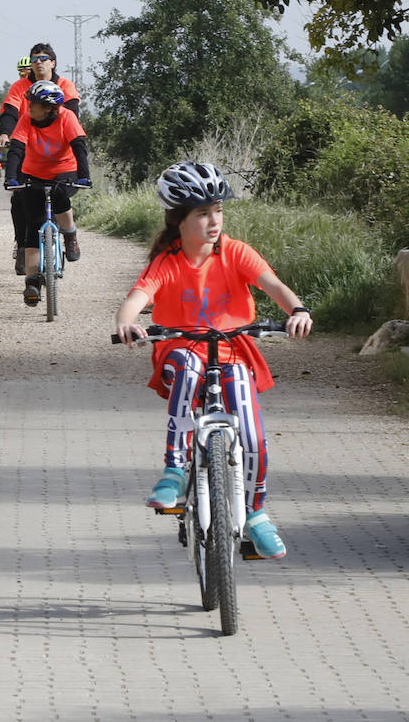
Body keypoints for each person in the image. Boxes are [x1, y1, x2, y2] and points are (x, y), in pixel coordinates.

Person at [113, 161, 313, 559]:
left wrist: (298, 310)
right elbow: (138, 297)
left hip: (233, 349)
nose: (213, 220)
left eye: (218, 211)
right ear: (179, 221)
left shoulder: (236, 253)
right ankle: (173, 470)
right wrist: (126, 323)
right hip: (179, 349)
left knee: (253, 435)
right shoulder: (167, 261)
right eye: (202, 213)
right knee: (187, 369)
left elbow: (273, 285)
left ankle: (255, 516)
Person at [0, 43, 81, 275]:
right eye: (34, 59)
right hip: (29, 155)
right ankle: (23, 247)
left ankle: (69, 236)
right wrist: (6, 133)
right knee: (19, 200)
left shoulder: (65, 85)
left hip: (60, 159)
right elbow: (10, 112)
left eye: (43, 58)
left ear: (53, 62)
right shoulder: (20, 86)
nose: (38, 62)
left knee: (58, 194)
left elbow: (71, 111)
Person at [4, 81, 91, 307]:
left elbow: (79, 146)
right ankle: (32, 282)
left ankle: (70, 235)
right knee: (34, 225)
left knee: (61, 194)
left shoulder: (67, 117)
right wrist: (11, 177)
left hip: (64, 171)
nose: (29, 107)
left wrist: (84, 175)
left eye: (33, 103)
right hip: (33, 173)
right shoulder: (27, 119)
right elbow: (16, 148)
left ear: (50, 108)